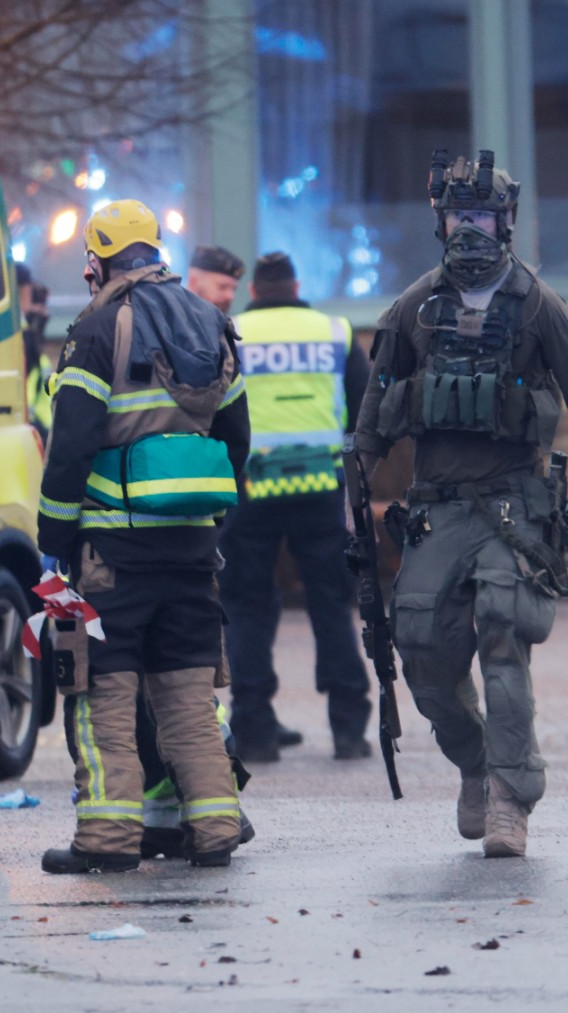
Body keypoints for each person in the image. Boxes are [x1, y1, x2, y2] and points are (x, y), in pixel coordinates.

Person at [353, 150, 568, 859]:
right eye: (456, 218)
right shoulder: (415, 308)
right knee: (421, 652)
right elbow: (375, 415)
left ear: (504, 223)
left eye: (480, 217)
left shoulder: (539, 306)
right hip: (438, 506)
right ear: (439, 223)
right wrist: (351, 489)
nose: (468, 231)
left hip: (513, 503)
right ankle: (475, 763)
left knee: (503, 635)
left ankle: (511, 794)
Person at [37, 199, 249, 873]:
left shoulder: (98, 327)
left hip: (112, 551)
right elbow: (236, 437)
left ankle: (106, 838)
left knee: (104, 698)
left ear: (97, 261)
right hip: (190, 546)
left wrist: (55, 536)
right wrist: (210, 518)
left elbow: (70, 443)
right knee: (189, 695)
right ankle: (215, 828)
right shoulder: (212, 321)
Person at [217, 251, 373, 763]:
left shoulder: (230, 330)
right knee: (331, 604)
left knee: (248, 608)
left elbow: (213, 408)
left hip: (249, 489)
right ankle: (349, 728)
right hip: (319, 485)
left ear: (255, 291)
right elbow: (364, 407)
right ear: (297, 285)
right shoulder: (334, 331)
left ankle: (256, 730)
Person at [16, 263, 54, 437]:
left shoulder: (23, 333)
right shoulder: (22, 336)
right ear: (23, 290)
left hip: (38, 426)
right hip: (34, 428)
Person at [185, 244, 244, 314]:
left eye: (234, 289)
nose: (230, 296)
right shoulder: (172, 320)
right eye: (222, 287)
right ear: (193, 282)